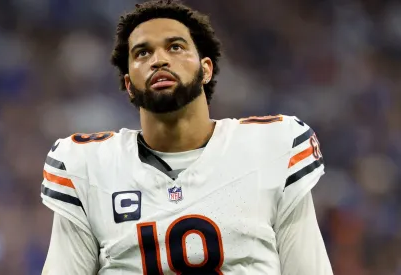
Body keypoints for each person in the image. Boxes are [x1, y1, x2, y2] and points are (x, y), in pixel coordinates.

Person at [40, 0, 334, 274]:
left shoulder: (273, 147)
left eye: (175, 47)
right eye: (143, 53)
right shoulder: (88, 167)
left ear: (206, 69)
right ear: (129, 85)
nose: (159, 60)